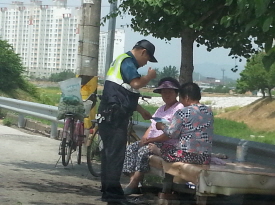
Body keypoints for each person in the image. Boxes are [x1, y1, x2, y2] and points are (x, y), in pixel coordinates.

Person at [97, 39, 157, 205]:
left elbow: (125, 92)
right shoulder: (128, 61)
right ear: (143, 52)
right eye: (147, 59)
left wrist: (141, 110)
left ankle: (109, 193)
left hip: (109, 113)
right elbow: (136, 84)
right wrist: (149, 77)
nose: (145, 63)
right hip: (115, 116)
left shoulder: (121, 61)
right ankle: (113, 197)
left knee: (110, 155)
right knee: (115, 156)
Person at [122, 77, 184, 195]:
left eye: (170, 92)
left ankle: (134, 183)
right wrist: (144, 138)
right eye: (164, 92)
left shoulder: (179, 108)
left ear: (176, 93)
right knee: (130, 149)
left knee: (143, 151)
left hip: (168, 144)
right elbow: (152, 125)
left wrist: (151, 140)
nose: (167, 95)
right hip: (154, 140)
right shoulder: (161, 109)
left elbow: (171, 133)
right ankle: (134, 183)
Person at [146, 82, 213, 165]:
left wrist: (162, 126)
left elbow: (171, 134)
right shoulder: (209, 111)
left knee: (164, 150)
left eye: (181, 98)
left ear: (187, 97)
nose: (180, 101)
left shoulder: (182, 112)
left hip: (187, 155)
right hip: (205, 157)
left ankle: (159, 152)